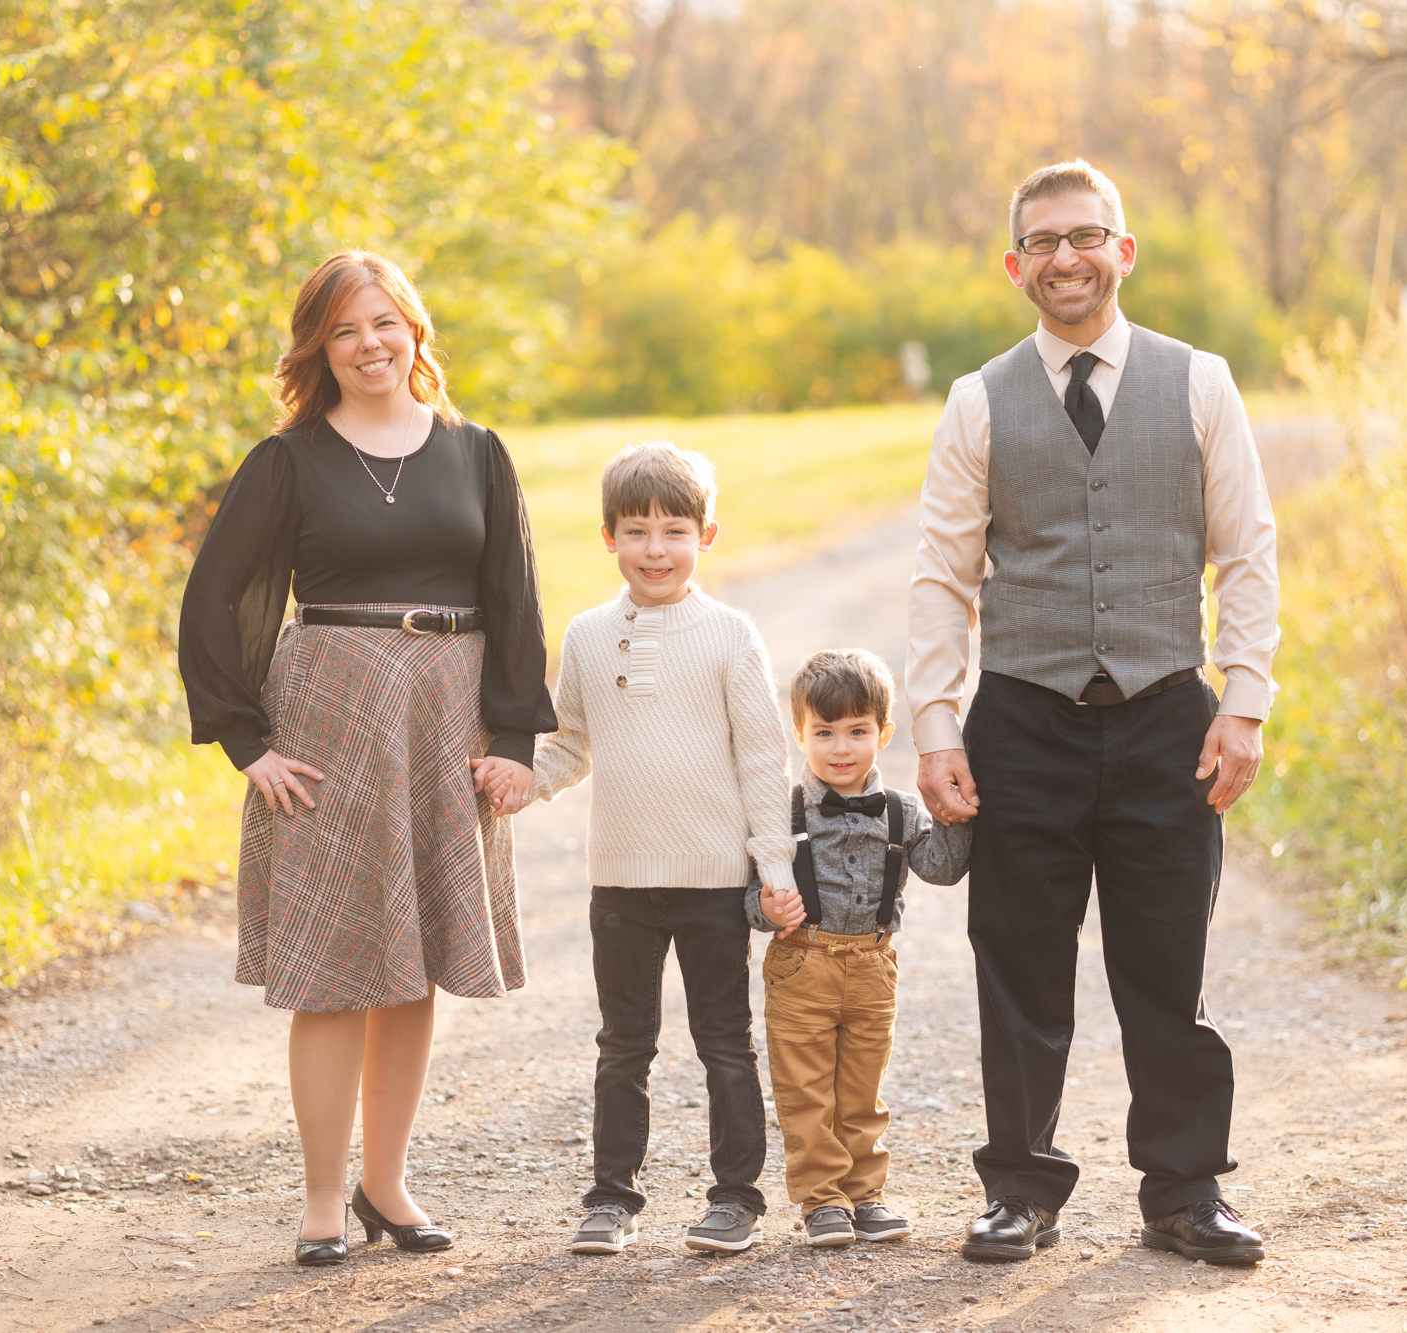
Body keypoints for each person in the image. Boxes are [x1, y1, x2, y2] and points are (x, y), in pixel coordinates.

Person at [906, 160, 1280, 1266]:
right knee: (1017, 961)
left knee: (1166, 962)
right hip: (1020, 719)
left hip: (1169, 713)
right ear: (1014, 264)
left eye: (1084, 236)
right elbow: (941, 572)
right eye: (1041, 242)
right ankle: (1019, 1185)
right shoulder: (978, 397)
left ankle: (1182, 1188)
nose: (1062, 258)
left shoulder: (1198, 381)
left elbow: (1246, 551)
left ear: (1122, 249)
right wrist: (933, 722)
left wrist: (1244, 702)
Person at [178, 250, 555, 1267]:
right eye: (344, 330)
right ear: (319, 349)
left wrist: (516, 738)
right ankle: (317, 1201)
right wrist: (244, 742)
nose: (369, 344)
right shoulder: (286, 462)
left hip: (448, 716)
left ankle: (385, 1184)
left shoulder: (477, 452)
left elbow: (516, 596)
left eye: (385, 322)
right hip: (328, 718)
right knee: (333, 969)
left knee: (411, 963)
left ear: (415, 331)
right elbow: (216, 600)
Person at [531, 442, 796, 1256]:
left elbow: (762, 757)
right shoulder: (584, 635)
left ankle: (736, 1197)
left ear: (706, 535)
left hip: (715, 880)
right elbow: (569, 746)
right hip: (621, 883)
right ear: (607, 536)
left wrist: (775, 866)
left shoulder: (729, 634)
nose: (656, 549)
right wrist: (512, 780)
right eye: (637, 530)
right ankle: (612, 1197)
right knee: (624, 1045)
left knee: (724, 1041)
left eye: (674, 530)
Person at [749, 649, 972, 1248]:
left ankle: (866, 1195)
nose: (840, 748)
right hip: (802, 964)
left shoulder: (903, 810)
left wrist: (961, 812)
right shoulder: (781, 815)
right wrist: (766, 910)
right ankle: (823, 1200)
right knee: (805, 1092)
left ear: (883, 734)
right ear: (799, 734)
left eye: (857, 731)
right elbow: (748, 894)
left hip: (874, 966)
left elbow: (943, 869)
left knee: (862, 1093)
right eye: (823, 733)